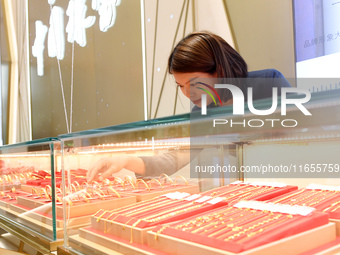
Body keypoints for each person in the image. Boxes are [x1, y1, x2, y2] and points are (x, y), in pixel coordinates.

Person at [87, 31, 291, 182]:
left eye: (193, 84)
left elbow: (305, 138)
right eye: (181, 86)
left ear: (219, 71)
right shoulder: (201, 112)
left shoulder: (269, 83)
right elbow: (174, 159)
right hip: (246, 192)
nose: (187, 93)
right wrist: (124, 160)